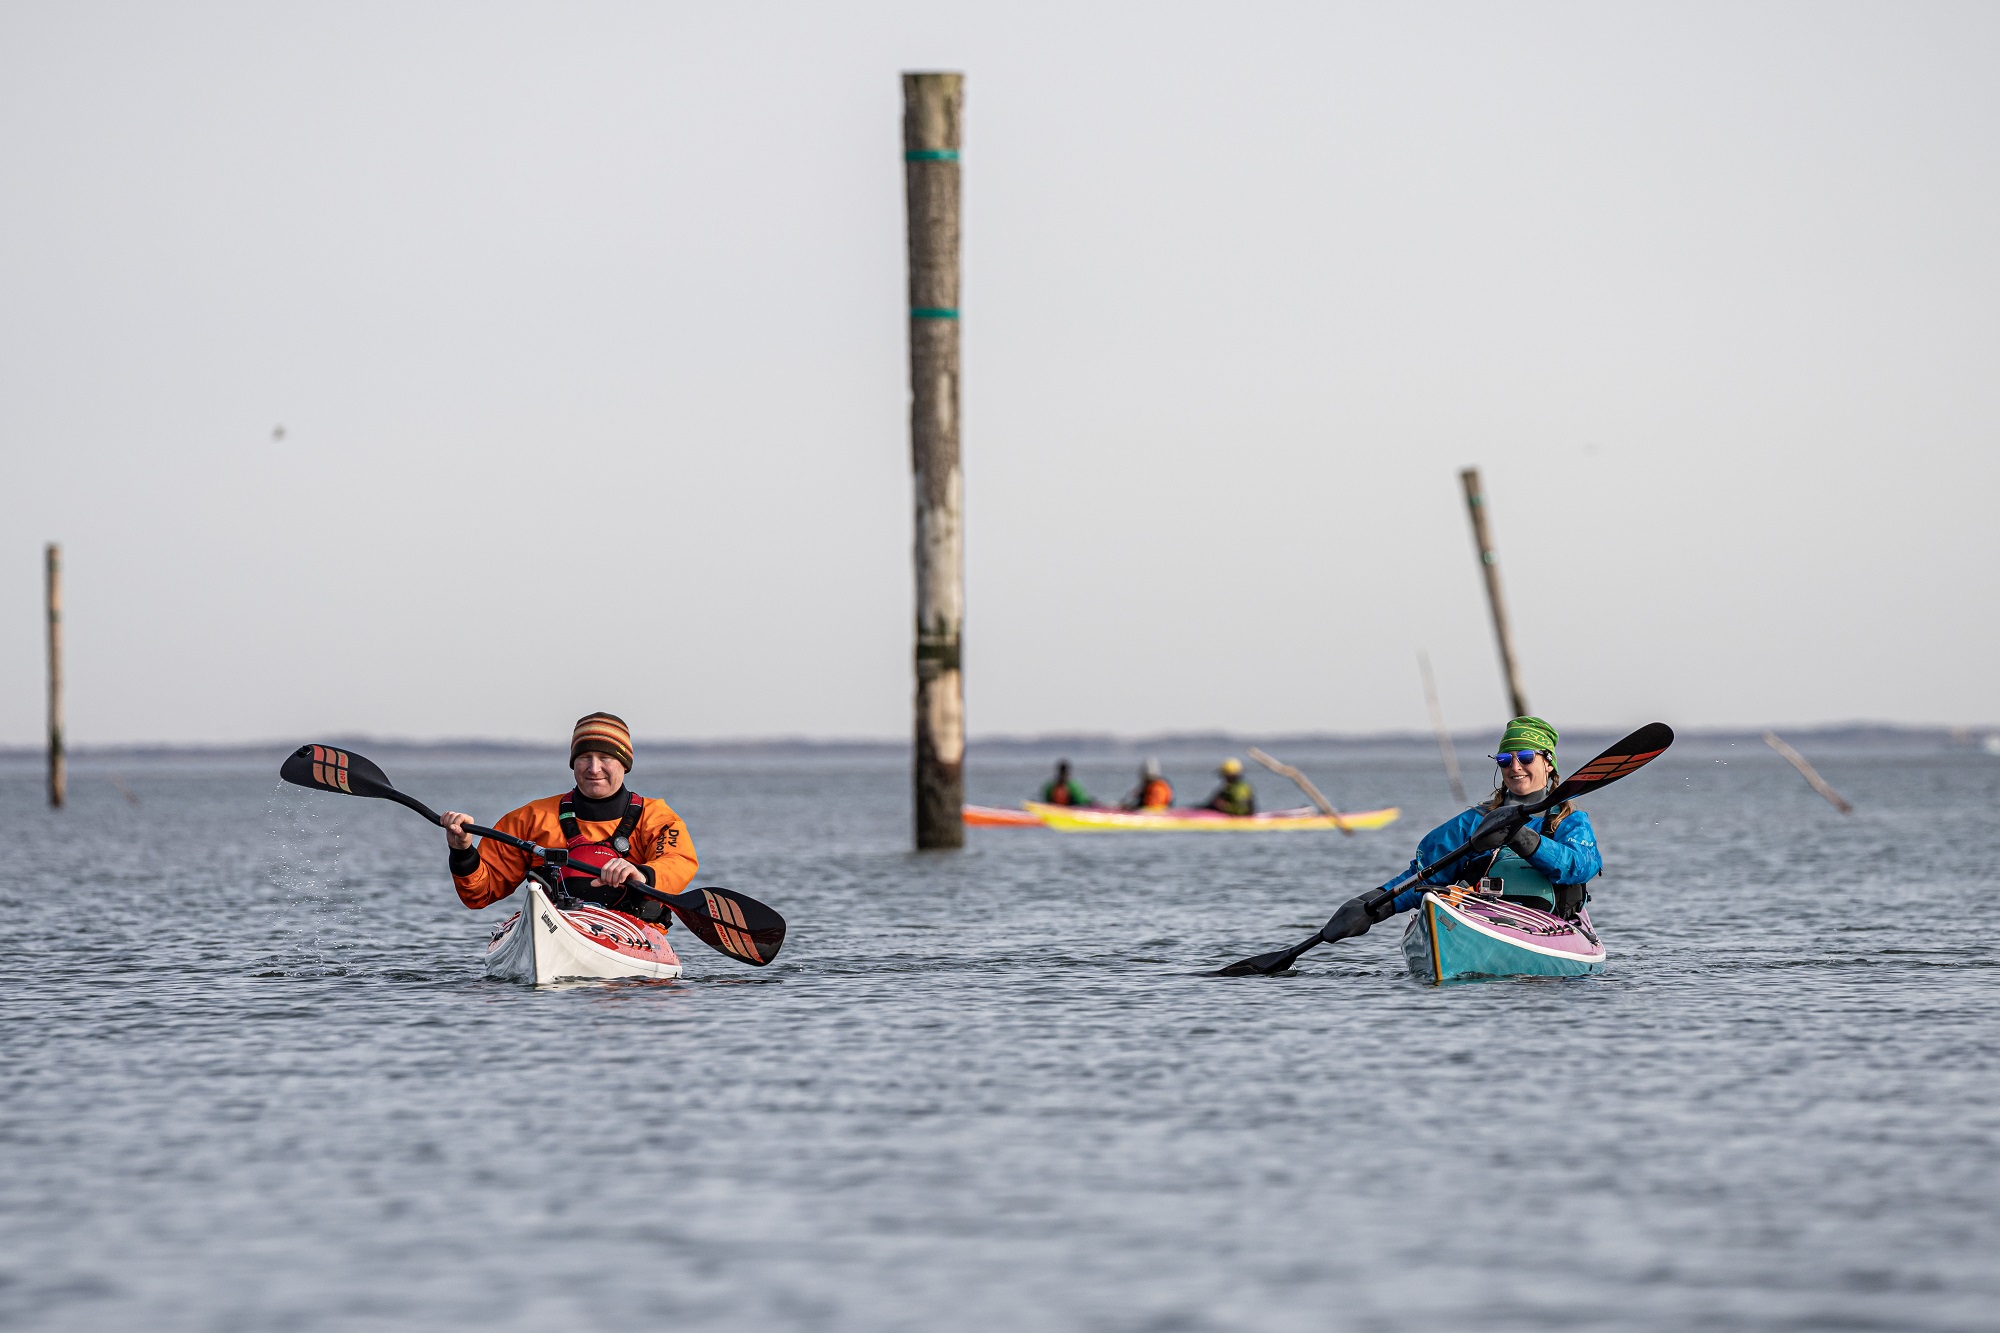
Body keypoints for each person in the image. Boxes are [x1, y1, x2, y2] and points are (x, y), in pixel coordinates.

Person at [1314, 716, 1603, 945]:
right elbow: (1427, 872)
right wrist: (1374, 903)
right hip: (1486, 921)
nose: (1515, 767)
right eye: (1505, 760)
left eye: (1526, 757)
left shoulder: (1568, 821)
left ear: (1548, 763)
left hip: (1549, 925)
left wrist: (1522, 837)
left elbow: (1580, 867)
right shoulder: (1474, 822)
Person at [442, 712, 699, 923]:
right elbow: (478, 894)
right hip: (553, 927)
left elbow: (678, 860)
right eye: (585, 757)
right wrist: (462, 851)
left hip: (634, 934)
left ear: (624, 764)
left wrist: (641, 873)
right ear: (573, 762)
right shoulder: (530, 819)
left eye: (605, 757)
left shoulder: (657, 817)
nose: (594, 768)